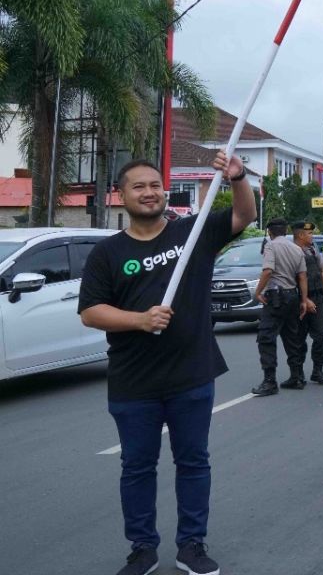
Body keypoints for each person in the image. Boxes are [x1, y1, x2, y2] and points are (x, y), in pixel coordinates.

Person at [79, 153, 255, 575]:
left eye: (155, 185)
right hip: (132, 380)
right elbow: (90, 311)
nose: (149, 192)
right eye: (139, 186)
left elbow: (244, 215)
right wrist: (139, 319)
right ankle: (142, 548)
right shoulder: (108, 252)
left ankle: (191, 544)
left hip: (190, 374)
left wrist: (238, 177)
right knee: (136, 467)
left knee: (193, 462)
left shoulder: (191, 233)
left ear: (165, 191)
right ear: (121, 196)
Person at [251, 218, 309, 394]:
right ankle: (297, 376)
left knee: (266, 337)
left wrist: (257, 292)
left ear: (270, 232)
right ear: (285, 231)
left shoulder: (271, 246)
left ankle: (269, 381)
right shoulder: (296, 248)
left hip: (276, 297)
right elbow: (302, 277)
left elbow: (268, 270)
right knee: (292, 338)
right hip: (292, 296)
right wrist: (304, 300)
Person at [293, 220, 323, 386]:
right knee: (298, 339)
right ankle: (298, 373)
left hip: (317, 299)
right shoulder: (293, 251)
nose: (312, 236)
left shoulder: (313, 249)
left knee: (320, 337)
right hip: (300, 301)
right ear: (301, 235)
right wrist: (305, 299)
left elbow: (322, 268)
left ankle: (317, 371)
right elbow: (293, 278)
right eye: (309, 233)